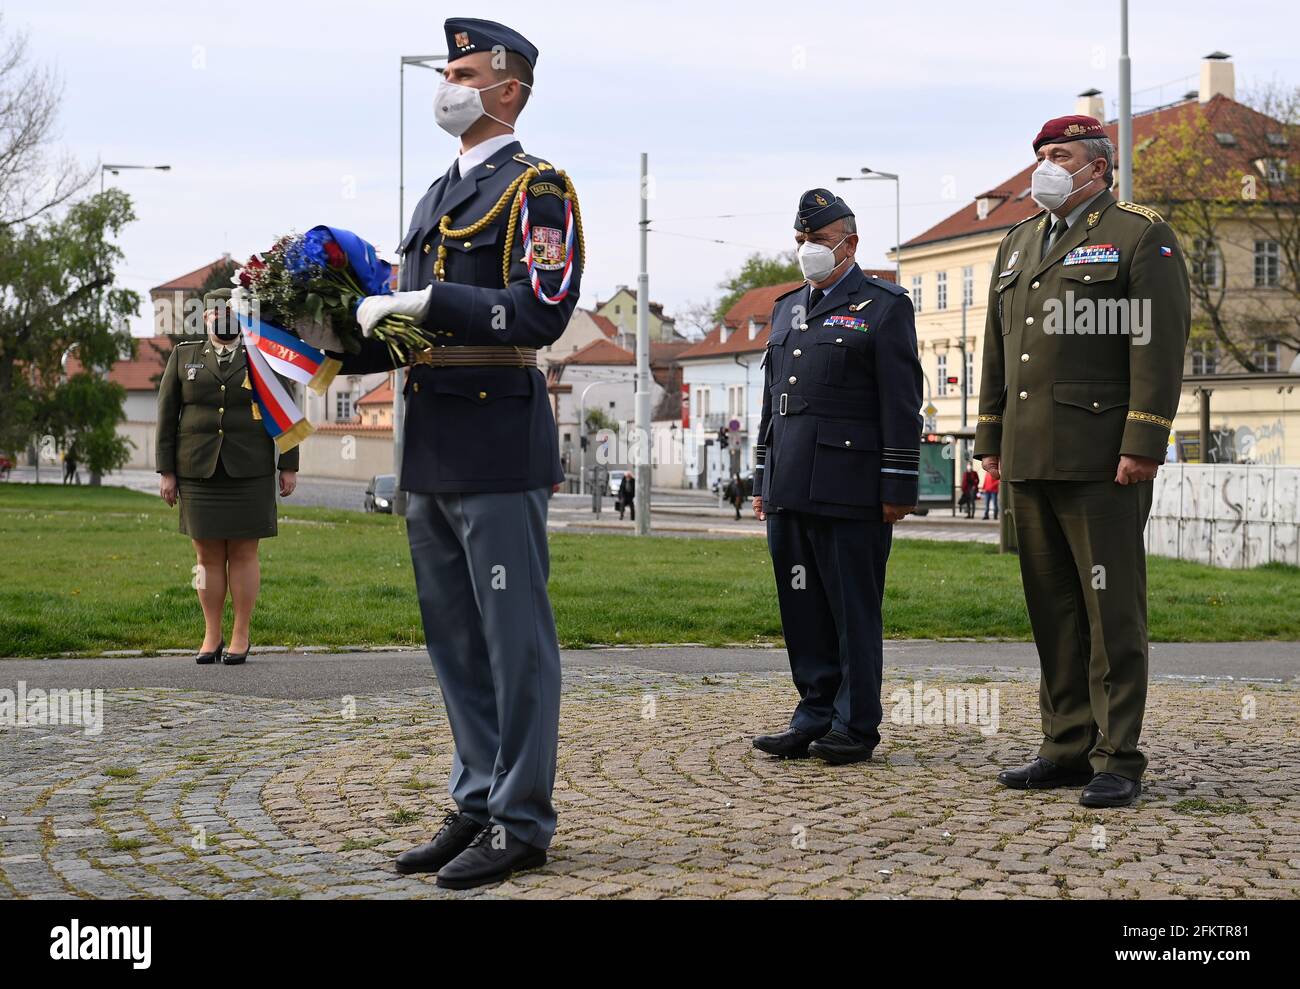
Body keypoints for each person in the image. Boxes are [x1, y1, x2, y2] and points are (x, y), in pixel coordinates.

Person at [296, 18, 582, 889]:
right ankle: (477, 796)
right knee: (455, 639)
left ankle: (523, 817)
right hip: (430, 444)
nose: (447, 83)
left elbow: (542, 311)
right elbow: (407, 326)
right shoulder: (432, 196)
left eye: (461, 70)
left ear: (508, 87)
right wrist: (320, 331)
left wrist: (434, 299)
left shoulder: (538, 189)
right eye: (445, 69)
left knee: (513, 640)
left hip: (496, 436)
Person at [975, 114, 1189, 808]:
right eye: (1039, 153)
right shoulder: (1019, 241)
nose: (1045, 164)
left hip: (1103, 457)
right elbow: (999, 352)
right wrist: (989, 442)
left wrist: (1143, 440)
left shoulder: (1138, 234)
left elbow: (1155, 347)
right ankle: (1065, 744)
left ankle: (1119, 755)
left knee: (1110, 612)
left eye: (1059, 153)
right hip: (1031, 455)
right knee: (1053, 608)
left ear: (1098, 165)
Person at [750, 190, 923, 766]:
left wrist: (898, 484)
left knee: (852, 609)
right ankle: (814, 712)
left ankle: (855, 724)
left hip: (851, 489)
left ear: (850, 243)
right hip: (790, 486)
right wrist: (761, 481)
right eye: (801, 241)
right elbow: (773, 401)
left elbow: (902, 403)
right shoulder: (784, 307)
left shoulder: (883, 305)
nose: (808, 251)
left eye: (819, 241)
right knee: (801, 608)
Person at [156, 288, 299, 666]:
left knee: (243, 552)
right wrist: (166, 471)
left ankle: (241, 634)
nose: (224, 319)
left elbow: (285, 410)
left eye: (233, 312)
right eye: (217, 312)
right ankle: (211, 633)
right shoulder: (184, 355)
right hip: (196, 471)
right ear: (205, 318)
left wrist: (289, 462)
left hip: (249, 470)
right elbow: (167, 416)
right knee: (205, 558)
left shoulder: (262, 358)